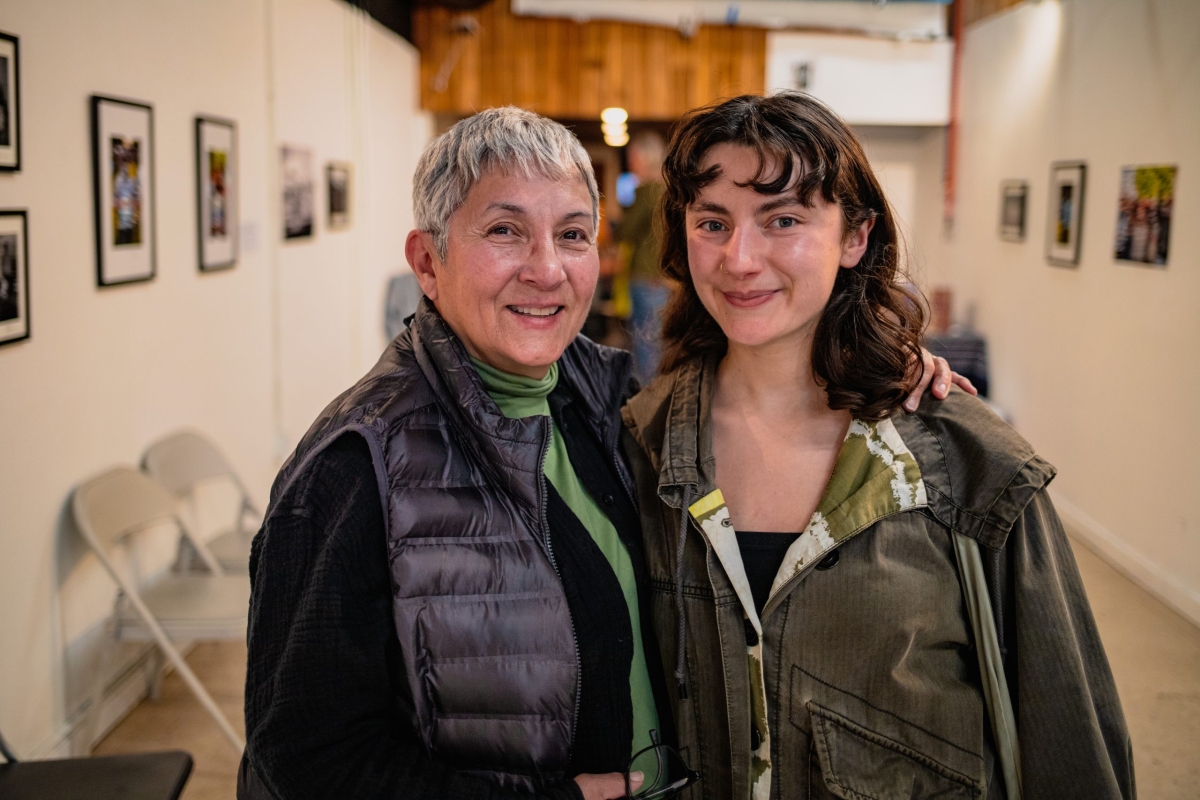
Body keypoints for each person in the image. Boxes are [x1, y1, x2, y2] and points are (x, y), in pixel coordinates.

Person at [239, 105, 965, 800]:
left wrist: (882, 363)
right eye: (504, 231)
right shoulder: (354, 465)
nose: (546, 269)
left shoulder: (607, 401)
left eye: (573, 235)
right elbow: (302, 759)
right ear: (428, 262)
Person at [621, 92, 1135, 800]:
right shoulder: (639, 446)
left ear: (855, 237)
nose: (739, 258)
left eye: (783, 220)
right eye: (713, 222)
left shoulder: (966, 464)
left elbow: (1068, 738)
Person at [615, 131, 669, 385]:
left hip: (646, 275)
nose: (630, 163)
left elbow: (626, 232)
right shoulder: (668, 191)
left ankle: (648, 396)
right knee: (656, 340)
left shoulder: (648, 191)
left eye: (633, 157)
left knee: (646, 342)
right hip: (662, 275)